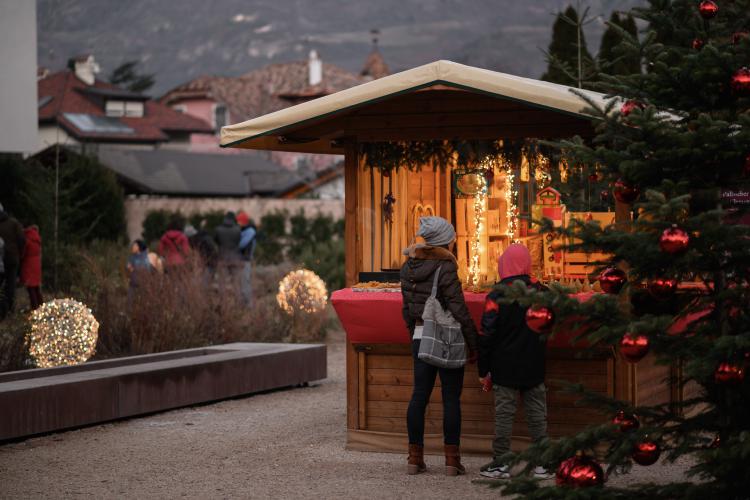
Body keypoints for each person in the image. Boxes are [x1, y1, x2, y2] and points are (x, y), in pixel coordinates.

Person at [400, 216, 478, 476]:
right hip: (446, 338)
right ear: (445, 241)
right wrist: (473, 342)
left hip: (420, 336)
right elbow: (458, 308)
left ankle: (414, 458)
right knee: (450, 398)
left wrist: (416, 333)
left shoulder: (408, 265)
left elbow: (407, 309)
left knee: (419, 396)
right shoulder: (445, 267)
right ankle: (451, 461)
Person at [478, 244, 552, 480]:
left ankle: (502, 463)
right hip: (534, 363)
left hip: (504, 365)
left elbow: (487, 334)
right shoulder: (542, 292)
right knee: (537, 415)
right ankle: (544, 464)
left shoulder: (495, 296)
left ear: (503, 265)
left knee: (504, 415)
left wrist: (483, 369)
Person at [0, 203, 26, 319]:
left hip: (3, 259)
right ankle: (9, 309)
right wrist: (19, 253)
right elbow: (22, 240)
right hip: (12, 258)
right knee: (10, 285)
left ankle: (4, 309)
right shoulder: (13, 223)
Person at [214, 211, 242, 293]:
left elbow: (216, 241)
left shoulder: (218, 229)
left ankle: (223, 303)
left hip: (222, 257)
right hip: (235, 258)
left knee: (222, 282)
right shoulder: (238, 229)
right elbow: (238, 242)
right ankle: (238, 302)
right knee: (236, 282)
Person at [20, 225, 43, 310]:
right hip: (36, 266)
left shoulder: (27, 240)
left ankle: (34, 308)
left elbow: (23, 254)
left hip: (28, 266)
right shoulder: (38, 240)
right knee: (36, 288)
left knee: (30, 288)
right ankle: (41, 306)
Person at [237, 211, 257, 306]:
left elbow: (241, 245)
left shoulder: (249, 232)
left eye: (239, 222)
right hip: (240, 260)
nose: (237, 224)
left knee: (245, 282)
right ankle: (242, 303)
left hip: (245, 260)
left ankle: (248, 305)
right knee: (241, 282)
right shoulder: (244, 231)